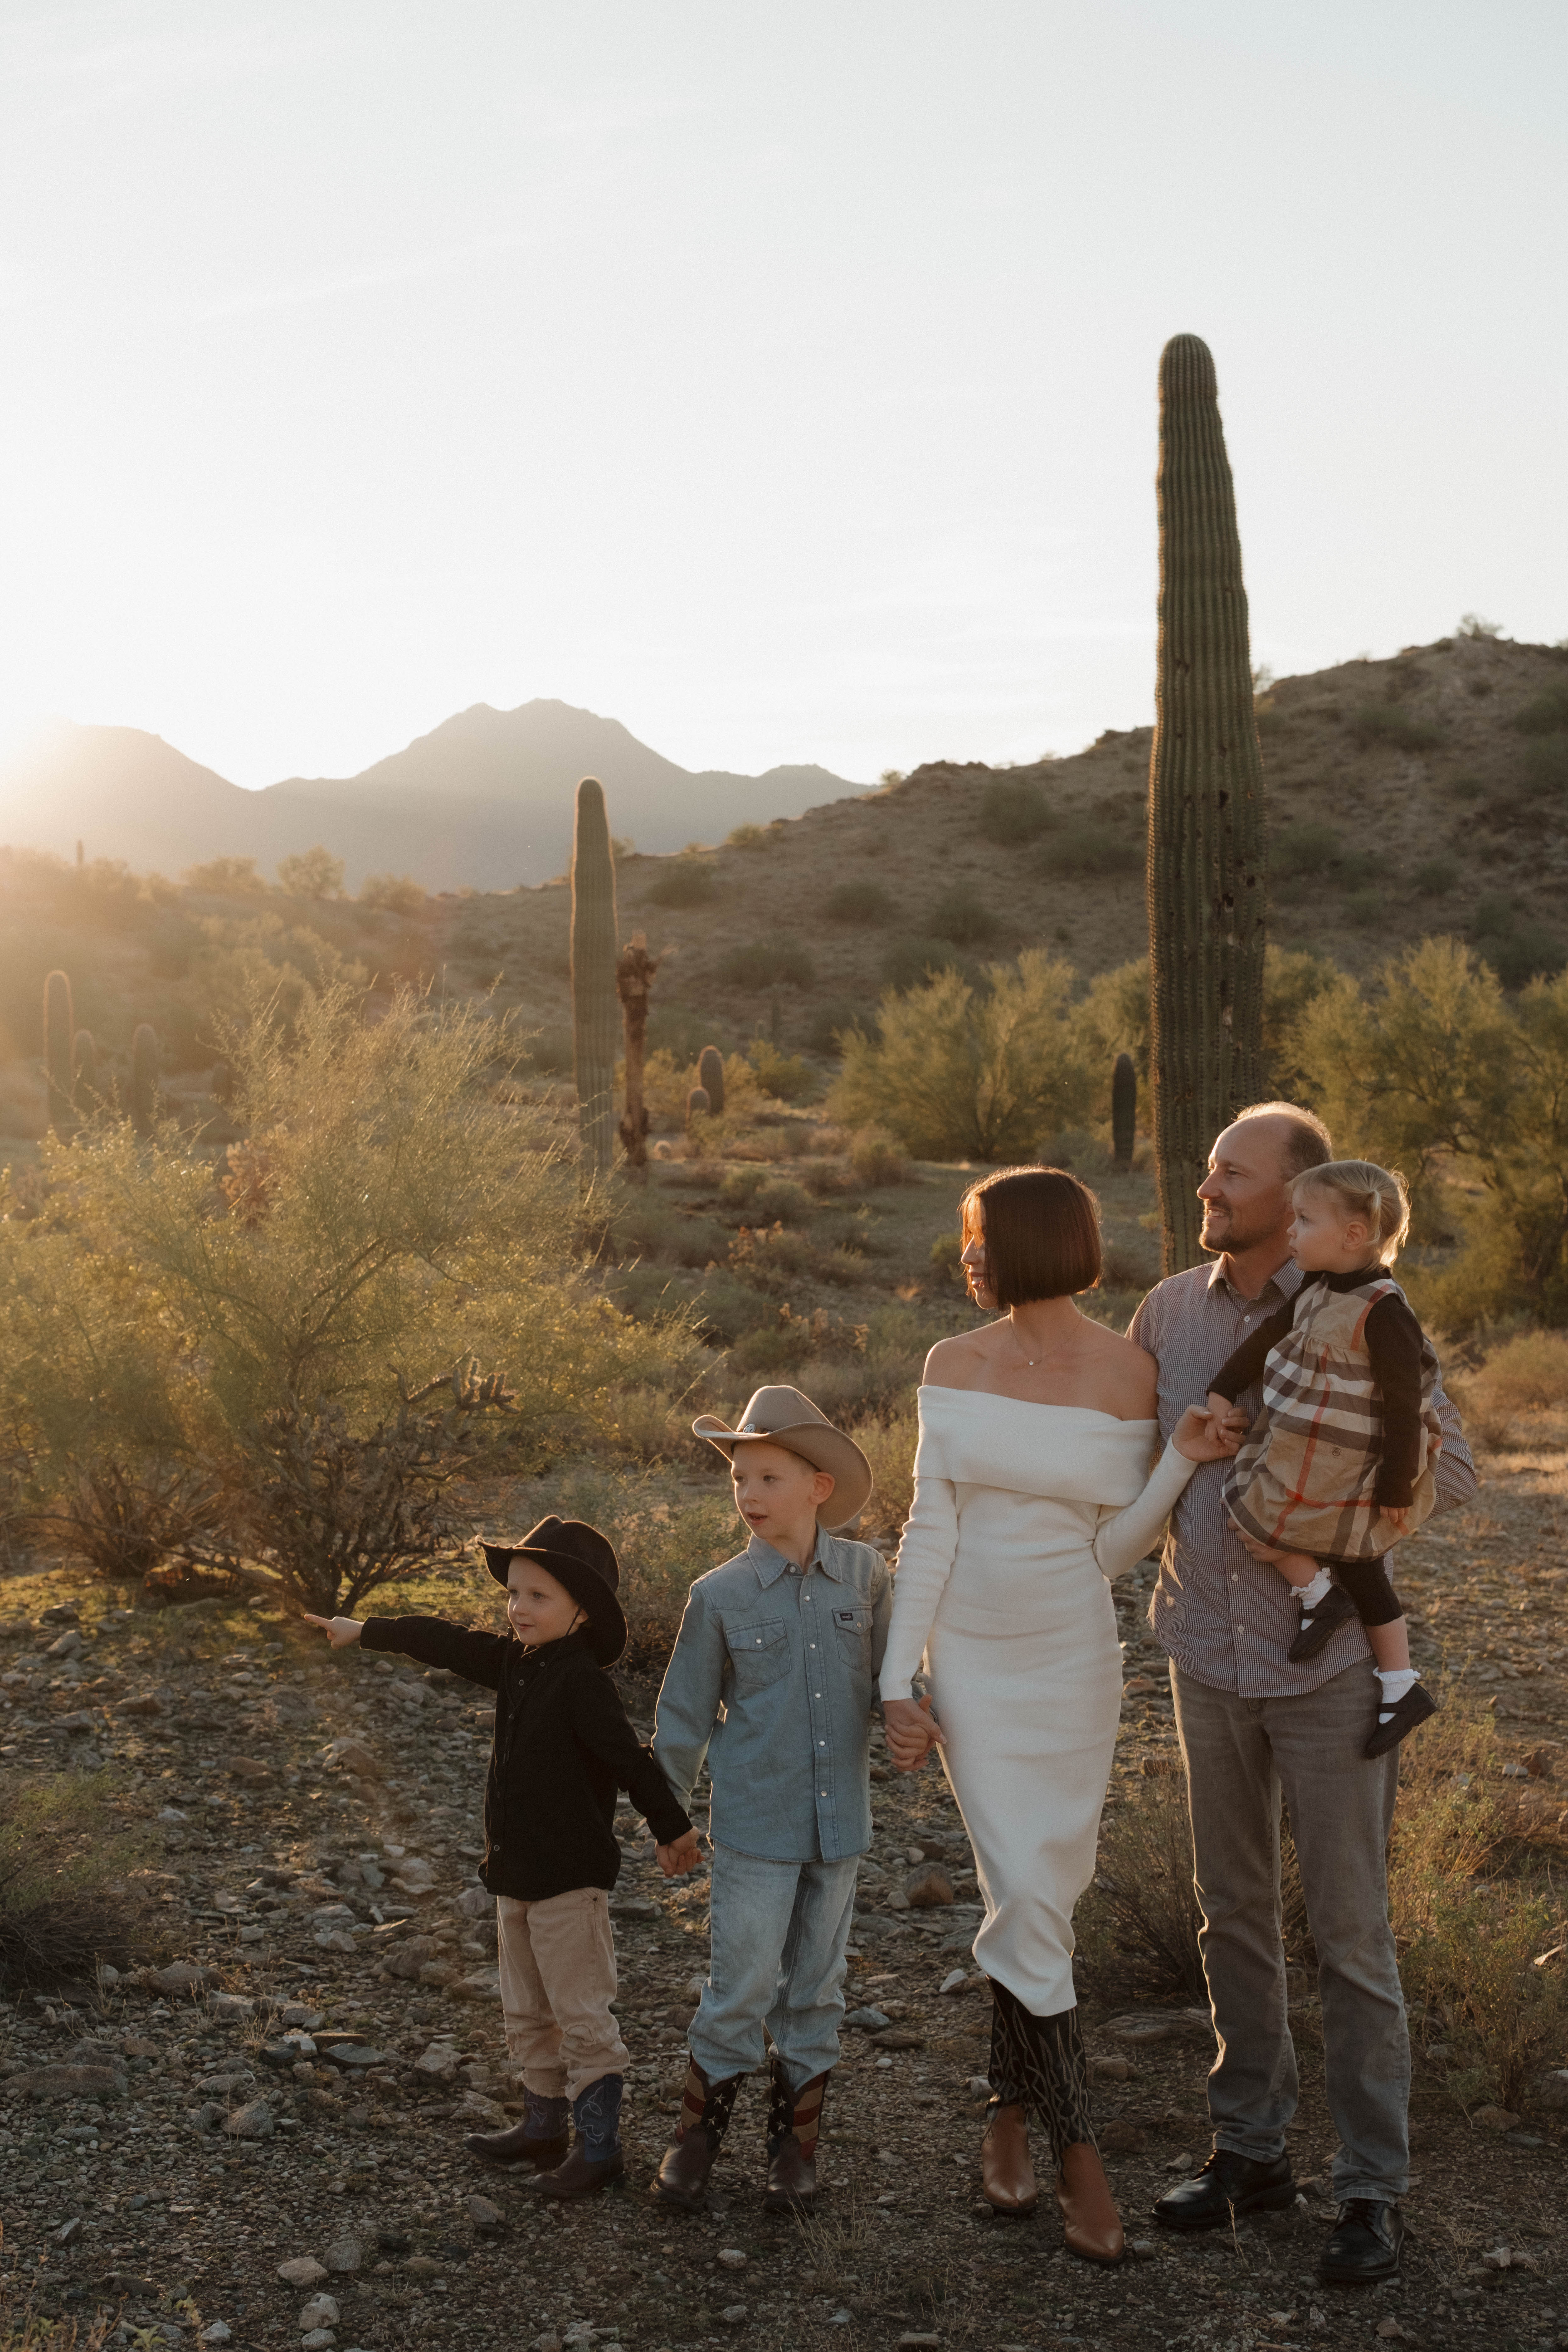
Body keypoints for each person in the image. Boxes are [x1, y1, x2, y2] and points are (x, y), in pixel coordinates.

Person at [1128, 1103, 1476, 2285]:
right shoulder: (1168, 1309)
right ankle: (1251, 2147)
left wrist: (1342, 1484)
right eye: (1209, 1163)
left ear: (1303, 1196)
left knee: (1348, 1930)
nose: (1208, 1181)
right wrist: (1186, 1445)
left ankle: (1370, 2187)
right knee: (1227, 1904)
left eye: (1234, 1170)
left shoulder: (1370, 1312)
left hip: (1322, 1668)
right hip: (1204, 1651)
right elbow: (1134, 1460)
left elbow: (1455, 1471)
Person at [880, 1166, 1237, 2267]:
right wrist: (899, 1679)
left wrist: (1181, 1456)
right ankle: (1081, 2152)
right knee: (1026, 1892)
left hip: (1072, 1654)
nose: (966, 1255)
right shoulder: (953, 1363)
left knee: (1034, 1892)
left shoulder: (1129, 1368)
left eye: (979, 1236)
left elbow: (1112, 1542)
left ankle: (1004, 2111)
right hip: (973, 1659)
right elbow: (925, 1529)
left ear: (1036, 1243)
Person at [303, 1516, 692, 2200]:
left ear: (581, 1612)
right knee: (526, 2009)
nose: (519, 1608)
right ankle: (543, 2126)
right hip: (514, 1876)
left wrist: (671, 1828)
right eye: (514, 1593)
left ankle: (598, 2149)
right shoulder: (514, 1663)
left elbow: (630, 1762)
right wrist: (364, 1631)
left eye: (539, 1596)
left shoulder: (581, 1683)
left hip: (570, 1882)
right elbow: (444, 1642)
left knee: (579, 2013)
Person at [649, 1385, 888, 2215]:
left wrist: (917, 1713)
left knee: (818, 1986)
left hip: (840, 1824)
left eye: (769, 1477)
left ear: (819, 1485)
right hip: (754, 1823)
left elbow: (897, 1680)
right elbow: (682, 1713)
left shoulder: (865, 1576)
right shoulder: (719, 1595)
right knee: (742, 1980)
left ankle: (795, 2149)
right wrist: (669, 1816)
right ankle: (694, 2143)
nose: (749, 1495)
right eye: (740, 1478)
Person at [1205, 1156, 1441, 1756]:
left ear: (1353, 1235)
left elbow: (1403, 1403)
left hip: (1355, 1461)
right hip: (1306, 1446)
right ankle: (1318, 1597)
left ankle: (1398, 1681)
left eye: (1304, 1221)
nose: (1291, 1233)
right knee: (1252, 1513)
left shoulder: (1386, 1310)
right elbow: (1267, 1339)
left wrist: (1393, 1485)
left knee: (1360, 1561)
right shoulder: (1313, 1286)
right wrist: (1223, 1387)